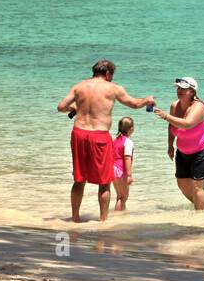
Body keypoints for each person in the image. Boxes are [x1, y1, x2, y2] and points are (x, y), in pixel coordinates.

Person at [57, 60, 155, 222]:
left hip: (79, 133)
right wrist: (147, 99)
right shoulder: (113, 88)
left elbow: (61, 107)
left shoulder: (79, 86)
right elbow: (134, 104)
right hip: (99, 135)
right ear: (108, 74)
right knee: (104, 182)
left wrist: (72, 109)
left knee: (79, 179)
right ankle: (103, 221)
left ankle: (75, 218)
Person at [156, 76, 204, 211]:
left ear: (192, 91)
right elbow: (171, 125)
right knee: (182, 182)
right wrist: (170, 145)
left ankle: (200, 217)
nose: (179, 91)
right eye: (178, 88)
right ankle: (202, 206)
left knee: (197, 185)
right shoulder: (174, 106)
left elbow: (187, 124)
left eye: (183, 89)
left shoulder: (199, 107)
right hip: (184, 150)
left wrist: (166, 116)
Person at [112, 117, 136, 213]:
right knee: (123, 197)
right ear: (131, 129)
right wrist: (129, 175)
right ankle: (118, 217)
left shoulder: (115, 140)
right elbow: (127, 157)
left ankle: (121, 215)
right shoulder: (128, 142)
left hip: (112, 169)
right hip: (120, 170)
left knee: (119, 195)